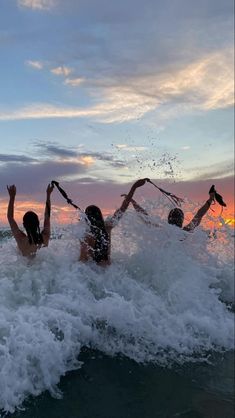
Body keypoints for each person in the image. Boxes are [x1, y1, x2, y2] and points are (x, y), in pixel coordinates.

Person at [79, 178, 149, 266]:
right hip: (109, 271)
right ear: (100, 216)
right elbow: (123, 208)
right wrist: (134, 187)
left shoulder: (87, 236)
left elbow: (82, 261)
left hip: (95, 274)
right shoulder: (108, 226)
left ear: (87, 218)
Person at [128, 189, 216, 232]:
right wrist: (211, 199)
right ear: (181, 220)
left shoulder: (162, 231)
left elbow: (146, 218)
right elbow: (199, 214)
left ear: (168, 219)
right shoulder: (185, 232)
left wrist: (133, 202)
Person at [7, 184, 54, 257]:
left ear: (24, 225)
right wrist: (48, 195)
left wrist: (12, 197)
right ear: (37, 223)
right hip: (45, 267)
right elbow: (47, 216)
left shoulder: (21, 240)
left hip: (25, 268)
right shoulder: (45, 237)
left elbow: (10, 217)